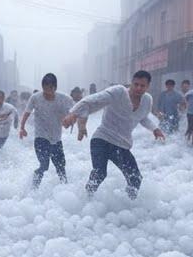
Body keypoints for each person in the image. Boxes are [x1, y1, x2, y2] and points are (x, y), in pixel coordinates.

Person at [62, 70, 165, 200]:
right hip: (102, 139)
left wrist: (155, 129)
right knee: (100, 173)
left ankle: (130, 203)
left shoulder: (147, 100)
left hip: (121, 145)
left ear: (148, 86)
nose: (138, 88)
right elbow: (92, 101)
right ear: (131, 83)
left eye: (142, 86)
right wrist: (73, 113)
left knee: (135, 178)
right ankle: (86, 199)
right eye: (136, 84)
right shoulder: (119, 92)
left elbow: (142, 117)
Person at [20, 73, 74, 188]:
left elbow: (73, 114)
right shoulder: (35, 98)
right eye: (43, 88)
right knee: (44, 165)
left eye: (48, 89)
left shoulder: (65, 99)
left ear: (54, 88)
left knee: (60, 166)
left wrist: (70, 122)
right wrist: (22, 127)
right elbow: (27, 112)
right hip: (40, 137)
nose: (45, 92)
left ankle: (65, 188)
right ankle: (34, 188)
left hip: (56, 139)